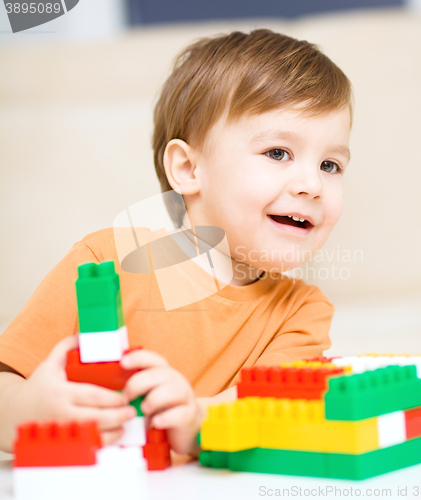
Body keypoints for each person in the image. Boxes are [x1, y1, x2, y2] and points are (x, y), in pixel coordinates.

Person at [0, 28, 353, 457]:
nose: (312, 184)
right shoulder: (104, 263)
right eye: (278, 152)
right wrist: (25, 409)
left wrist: (197, 420)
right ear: (187, 168)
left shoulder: (302, 313)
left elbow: (267, 410)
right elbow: (7, 379)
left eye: (330, 164)